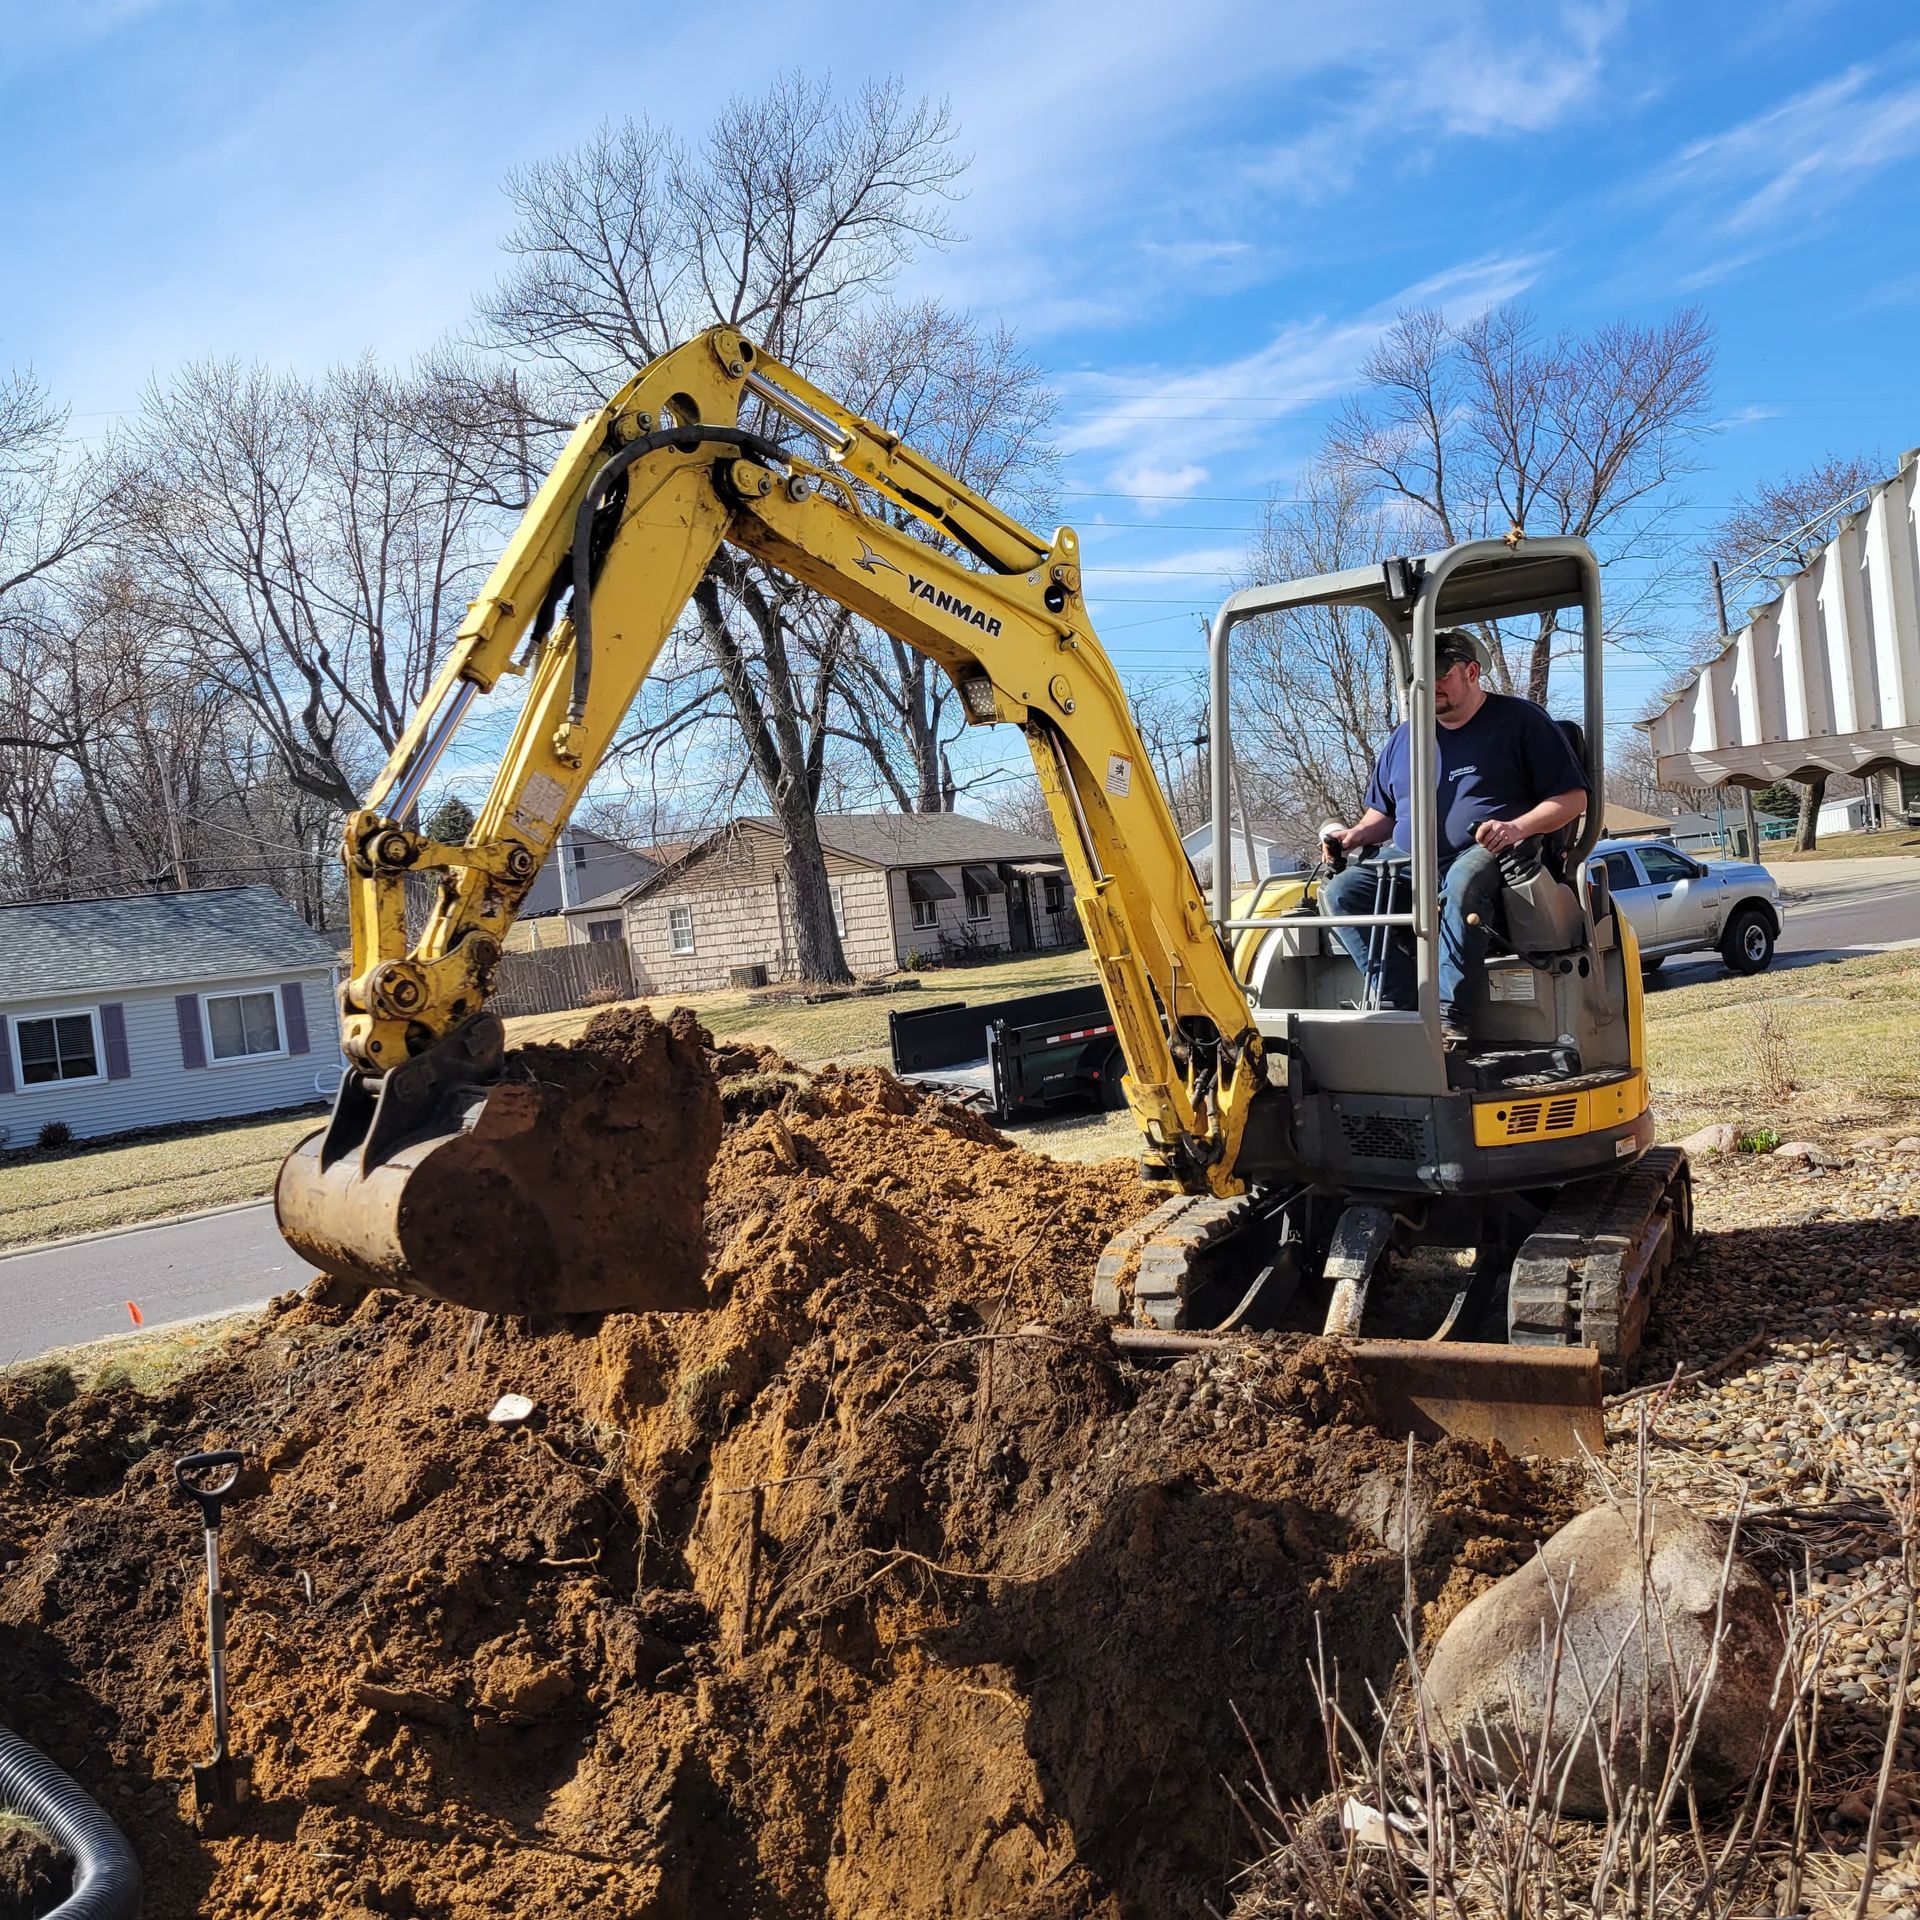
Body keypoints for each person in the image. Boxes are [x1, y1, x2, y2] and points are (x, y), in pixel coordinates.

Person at [1319, 629, 1588, 1042]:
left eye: (1442, 673)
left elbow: (1572, 799)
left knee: (1463, 882)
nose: (1432, 685)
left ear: (1472, 672)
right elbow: (1384, 815)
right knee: (1341, 893)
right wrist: (1354, 835)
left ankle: (1448, 1017)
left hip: (1491, 853)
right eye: (1423, 677)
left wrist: (1516, 827)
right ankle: (1399, 1004)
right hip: (1410, 863)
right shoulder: (1404, 739)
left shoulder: (1521, 721)